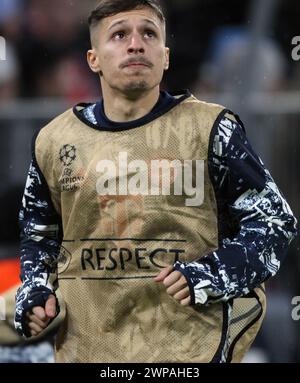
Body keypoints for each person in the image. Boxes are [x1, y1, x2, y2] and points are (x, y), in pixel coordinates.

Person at [14, 0, 297, 363]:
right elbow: (39, 237)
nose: (136, 44)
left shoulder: (212, 129)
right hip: (88, 350)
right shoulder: (54, 140)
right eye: (119, 35)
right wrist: (35, 292)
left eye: (148, 33)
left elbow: (275, 223)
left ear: (164, 56)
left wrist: (212, 272)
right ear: (93, 59)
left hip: (189, 350)